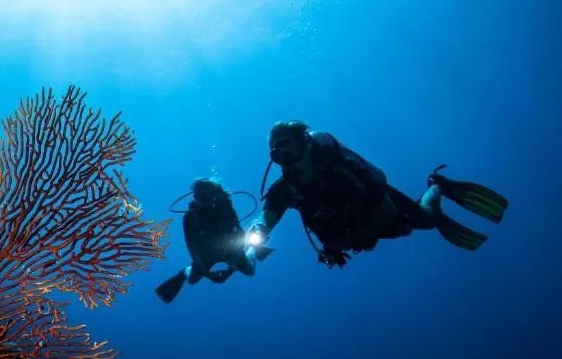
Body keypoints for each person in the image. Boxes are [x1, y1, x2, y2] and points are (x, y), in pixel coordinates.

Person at [250, 121, 508, 267]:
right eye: (275, 154)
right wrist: (258, 230)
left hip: (379, 210)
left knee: (427, 221)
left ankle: (436, 185)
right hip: (353, 228)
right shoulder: (286, 189)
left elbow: (386, 210)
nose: (283, 159)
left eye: (285, 147)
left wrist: (349, 239)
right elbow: (268, 213)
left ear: (304, 142)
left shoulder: (342, 170)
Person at [156, 178, 270, 303]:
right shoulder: (190, 217)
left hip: (231, 249)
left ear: (215, 195)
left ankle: (253, 246)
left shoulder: (225, 209)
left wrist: (231, 268)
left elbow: (238, 235)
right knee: (192, 279)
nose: (200, 200)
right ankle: (184, 273)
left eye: (205, 195)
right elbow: (192, 248)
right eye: (197, 196)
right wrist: (208, 275)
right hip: (206, 253)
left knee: (250, 270)